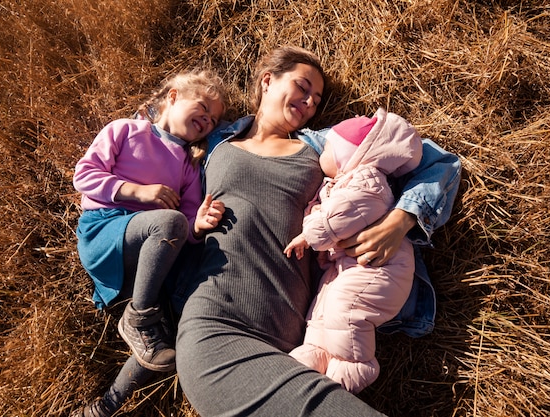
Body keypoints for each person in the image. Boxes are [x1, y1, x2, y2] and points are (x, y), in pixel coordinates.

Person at [172, 46, 461, 417]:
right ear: (267, 81)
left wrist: (400, 221)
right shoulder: (215, 142)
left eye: (316, 98)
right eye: (302, 86)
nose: (309, 101)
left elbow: (440, 164)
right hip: (217, 326)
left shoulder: (322, 146)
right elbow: (154, 147)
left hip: (304, 346)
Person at [70, 69, 227, 417]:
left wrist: (198, 227)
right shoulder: (125, 130)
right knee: (166, 221)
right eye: (202, 107)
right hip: (105, 233)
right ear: (172, 97)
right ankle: (137, 315)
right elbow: (84, 174)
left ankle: (105, 406)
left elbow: (185, 226)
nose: (207, 119)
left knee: (167, 335)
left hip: (149, 263)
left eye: (213, 119)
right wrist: (138, 192)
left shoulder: (188, 167)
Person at [283, 111, 423, 394]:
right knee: (323, 310)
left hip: (380, 269)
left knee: (344, 311)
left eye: (329, 147)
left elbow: (341, 215)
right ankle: (315, 354)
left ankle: (353, 369)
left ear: (347, 156)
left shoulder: (366, 181)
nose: (322, 151)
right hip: (352, 268)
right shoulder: (348, 182)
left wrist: (309, 234)